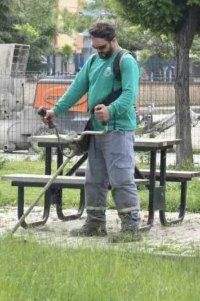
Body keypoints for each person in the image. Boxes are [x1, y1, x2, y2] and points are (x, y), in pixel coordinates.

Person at [42, 22, 142, 243]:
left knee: (121, 178)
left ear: (113, 40)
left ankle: (131, 227)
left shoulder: (126, 61)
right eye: (95, 47)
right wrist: (55, 111)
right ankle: (95, 224)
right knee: (94, 179)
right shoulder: (94, 61)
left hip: (118, 129)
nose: (99, 51)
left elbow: (129, 94)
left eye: (102, 47)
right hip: (95, 130)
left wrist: (111, 110)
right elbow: (76, 88)